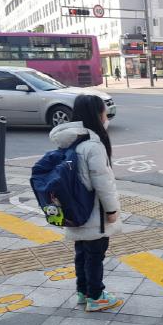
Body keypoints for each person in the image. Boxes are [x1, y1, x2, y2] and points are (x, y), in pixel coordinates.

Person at [49, 95, 122, 312]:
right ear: (97, 115)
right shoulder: (93, 145)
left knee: (81, 252)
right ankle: (96, 296)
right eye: (104, 112)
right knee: (95, 255)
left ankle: (83, 291)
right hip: (93, 213)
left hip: (74, 209)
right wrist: (111, 210)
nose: (106, 117)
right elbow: (103, 183)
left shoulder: (70, 141)